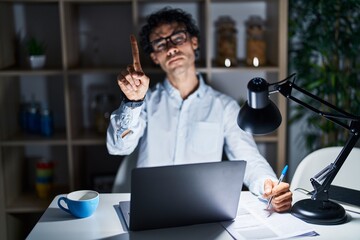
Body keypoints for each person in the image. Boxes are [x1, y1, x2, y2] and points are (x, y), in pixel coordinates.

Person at [107, 7, 292, 212]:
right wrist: (132, 102)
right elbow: (118, 147)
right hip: (150, 207)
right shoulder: (145, 102)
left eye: (178, 37)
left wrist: (269, 184)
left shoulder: (224, 107)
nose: (171, 48)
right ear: (154, 57)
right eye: (160, 43)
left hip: (200, 210)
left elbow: (249, 158)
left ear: (194, 42)